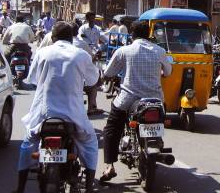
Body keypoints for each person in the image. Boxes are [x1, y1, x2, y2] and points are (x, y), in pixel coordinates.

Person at [13, 22, 100, 193]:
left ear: (53, 38)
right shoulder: (81, 55)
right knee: (90, 143)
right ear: (71, 38)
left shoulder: (43, 53)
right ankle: (89, 187)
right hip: (73, 117)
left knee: (28, 143)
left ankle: (20, 187)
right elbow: (92, 80)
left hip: (43, 116)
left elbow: (33, 79)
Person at [100, 20, 172, 183]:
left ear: (131, 35)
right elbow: (167, 72)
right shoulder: (159, 51)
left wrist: (105, 77)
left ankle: (110, 166)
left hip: (128, 98)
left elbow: (109, 72)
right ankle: (157, 142)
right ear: (149, 34)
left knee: (112, 128)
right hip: (155, 100)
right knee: (160, 119)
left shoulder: (124, 51)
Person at [72, 22, 103, 116]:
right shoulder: (81, 43)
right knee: (94, 83)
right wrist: (95, 57)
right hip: (78, 76)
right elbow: (90, 59)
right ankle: (92, 107)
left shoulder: (54, 46)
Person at [78, 12, 106, 115]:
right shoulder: (82, 28)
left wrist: (108, 42)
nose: (92, 19)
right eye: (90, 18)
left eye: (93, 17)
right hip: (85, 53)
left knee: (95, 77)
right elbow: (81, 40)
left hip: (95, 54)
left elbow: (104, 38)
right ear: (87, 18)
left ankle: (92, 106)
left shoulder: (97, 29)